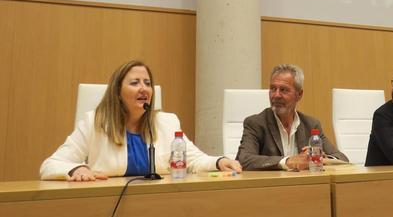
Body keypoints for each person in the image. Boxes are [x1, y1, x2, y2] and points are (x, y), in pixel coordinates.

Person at [40, 60, 241, 181]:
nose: (143, 88)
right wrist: (77, 168)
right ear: (118, 92)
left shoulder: (166, 122)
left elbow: (194, 160)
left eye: (147, 83)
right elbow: (50, 165)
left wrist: (220, 161)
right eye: (135, 83)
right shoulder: (95, 122)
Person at [236, 64, 348, 170]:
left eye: (283, 90)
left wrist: (321, 158)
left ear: (299, 95)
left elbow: (342, 158)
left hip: (304, 186)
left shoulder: (311, 124)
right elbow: (243, 159)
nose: (276, 95)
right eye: (273, 89)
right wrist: (288, 161)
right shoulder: (256, 123)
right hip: (270, 187)